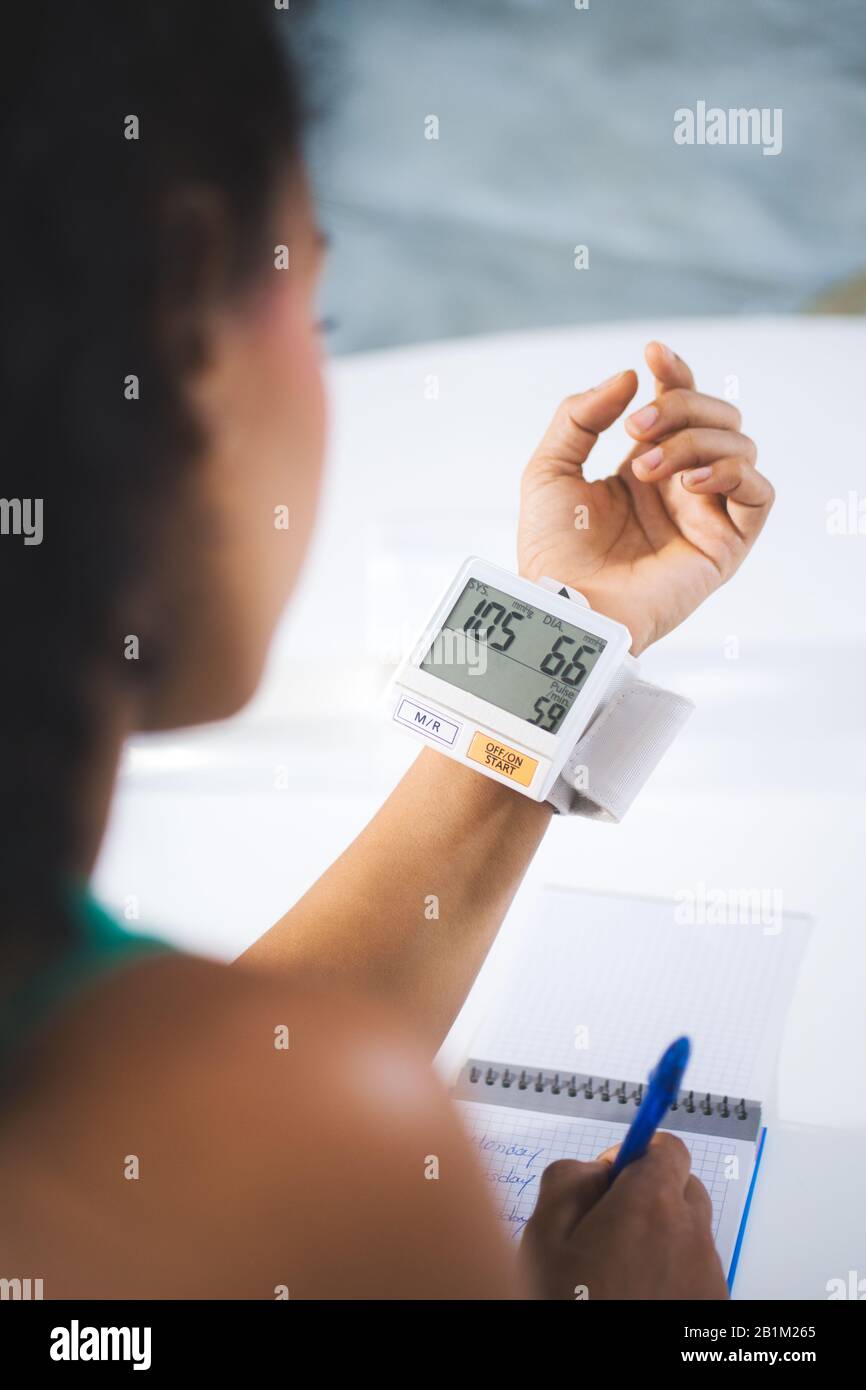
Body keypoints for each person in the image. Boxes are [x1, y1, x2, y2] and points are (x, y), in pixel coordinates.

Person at [0, 5, 773, 1299]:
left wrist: (559, 627)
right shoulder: (320, 1163)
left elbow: (222, 1077)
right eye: (316, 293)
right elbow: (254, 1126)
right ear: (186, 320)